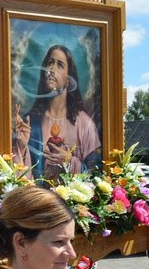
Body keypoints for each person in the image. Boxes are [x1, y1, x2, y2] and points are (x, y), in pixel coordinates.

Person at [12, 44, 102, 181]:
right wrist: (22, 146)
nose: (52, 69)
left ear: (68, 80)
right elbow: (17, 179)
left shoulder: (85, 124)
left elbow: (96, 174)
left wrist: (69, 161)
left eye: (60, 65)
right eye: (50, 63)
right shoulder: (30, 122)